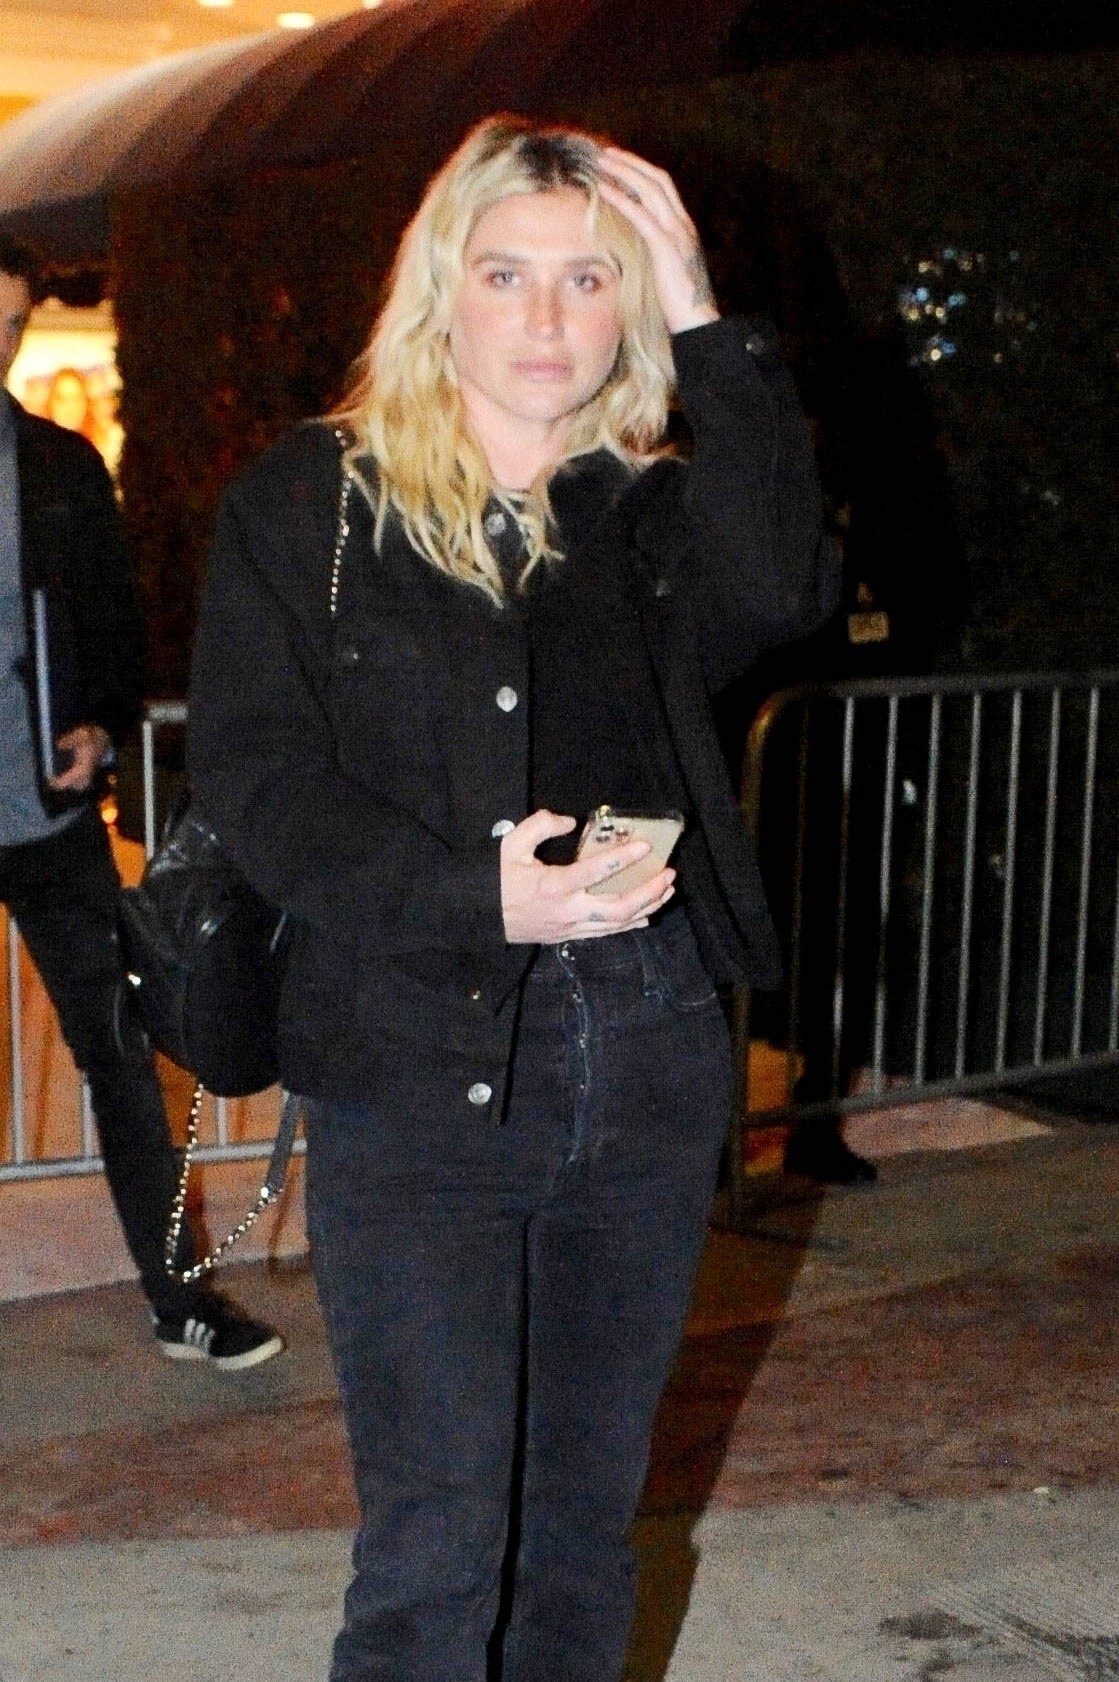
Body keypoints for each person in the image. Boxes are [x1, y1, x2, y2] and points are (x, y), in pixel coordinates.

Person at [187, 115, 838, 1681]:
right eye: (504, 274)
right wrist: (472, 894)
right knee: (433, 1550)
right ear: (440, 289)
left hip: (647, 1052)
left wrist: (704, 315)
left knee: (579, 1535)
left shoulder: (647, 511)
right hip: (417, 1067)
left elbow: (785, 586)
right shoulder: (313, 502)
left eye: (589, 277)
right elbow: (259, 778)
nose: (547, 316)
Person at [0, 235, 282, 1370]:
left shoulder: (58, 466)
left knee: (119, 1053)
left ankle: (181, 1298)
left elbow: (117, 625)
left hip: (47, 816)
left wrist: (99, 723)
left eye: (13, 324)